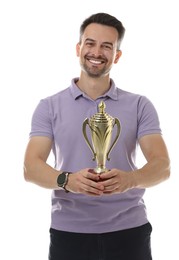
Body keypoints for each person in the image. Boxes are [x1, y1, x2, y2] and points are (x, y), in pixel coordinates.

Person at [23, 12, 170, 260]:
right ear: (79, 48)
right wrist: (67, 180)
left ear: (117, 55)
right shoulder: (48, 106)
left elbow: (162, 166)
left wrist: (130, 180)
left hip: (130, 232)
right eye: (90, 43)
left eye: (106, 46)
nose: (96, 52)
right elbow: (30, 167)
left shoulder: (139, 105)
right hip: (69, 233)